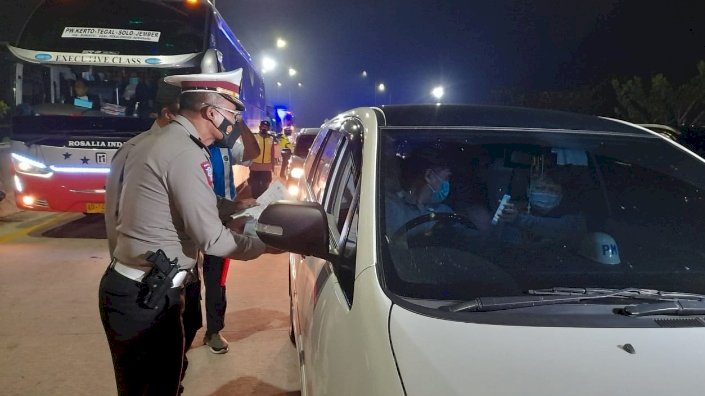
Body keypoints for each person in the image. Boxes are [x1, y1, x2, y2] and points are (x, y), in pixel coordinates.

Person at [99, 68, 267, 396]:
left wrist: (230, 208)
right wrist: (266, 243)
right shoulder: (184, 152)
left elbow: (181, 203)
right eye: (233, 113)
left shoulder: (163, 141)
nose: (235, 123)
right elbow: (213, 240)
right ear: (211, 112)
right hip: (145, 297)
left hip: (140, 290)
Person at [202, 116, 261, 354]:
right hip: (189, 219)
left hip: (221, 221)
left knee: (216, 280)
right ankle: (182, 331)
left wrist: (240, 122)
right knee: (187, 280)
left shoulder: (226, 146)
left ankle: (213, 331)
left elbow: (253, 152)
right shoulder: (191, 146)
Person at [496, 170, 587, 247]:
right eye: (540, 188)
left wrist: (519, 219)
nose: (546, 193)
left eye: (552, 190)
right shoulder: (512, 211)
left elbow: (561, 229)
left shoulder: (574, 219)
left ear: (560, 196)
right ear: (528, 191)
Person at [385, 146, 454, 238]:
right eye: (446, 178)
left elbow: (467, 237)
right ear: (429, 175)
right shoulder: (390, 208)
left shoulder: (445, 212)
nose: (447, 183)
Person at [248, 120, 277, 198]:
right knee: (255, 186)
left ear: (268, 128)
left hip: (266, 167)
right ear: (260, 127)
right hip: (255, 166)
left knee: (265, 185)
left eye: (266, 127)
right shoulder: (254, 137)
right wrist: (249, 163)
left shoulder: (271, 138)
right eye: (263, 127)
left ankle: (263, 202)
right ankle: (255, 200)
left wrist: (273, 166)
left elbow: (272, 153)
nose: (264, 128)